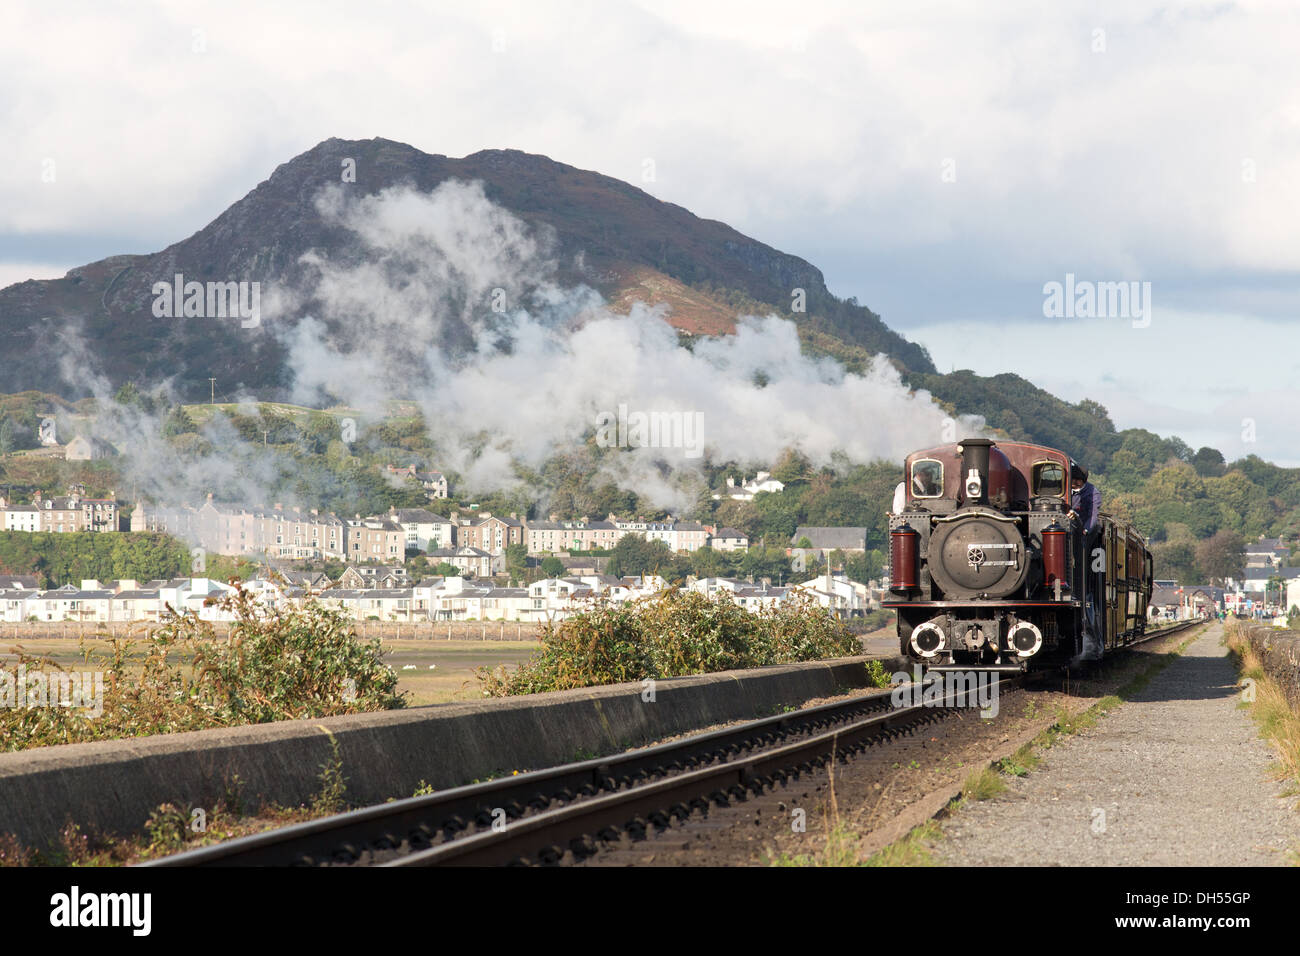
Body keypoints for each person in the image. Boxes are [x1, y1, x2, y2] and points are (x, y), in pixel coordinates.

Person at [1067, 462, 1100, 534]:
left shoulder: (1093, 493)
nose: (1073, 482)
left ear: (1082, 481)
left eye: (1077, 479)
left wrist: (1086, 529)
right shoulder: (1064, 488)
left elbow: (1093, 514)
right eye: (1072, 479)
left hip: (1081, 526)